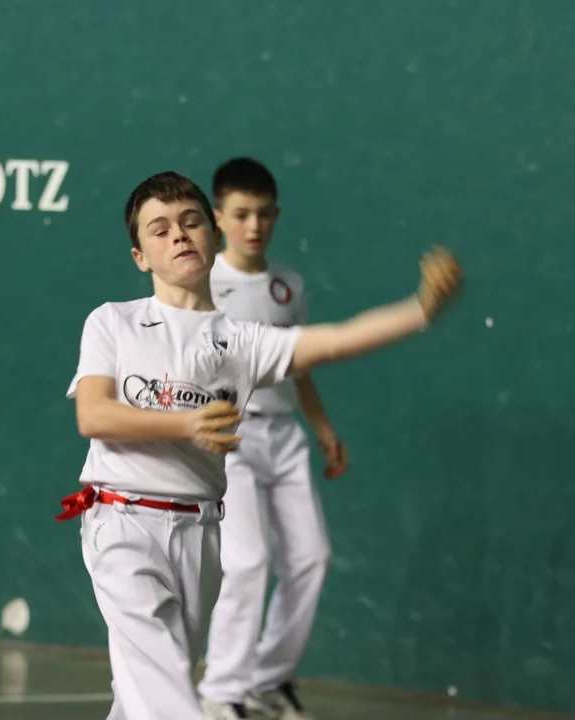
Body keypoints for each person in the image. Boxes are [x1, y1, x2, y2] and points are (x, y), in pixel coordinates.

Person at [55, 170, 461, 720]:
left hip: (200, 533)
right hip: (122, 522)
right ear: (140, 257)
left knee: (144, 693)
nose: (178, 234)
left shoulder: (243, 342)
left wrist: (420, 309)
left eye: (190, 221)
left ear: (212, 234)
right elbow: (94, 415)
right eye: (160, 229)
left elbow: (334, 341)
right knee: (164, 686)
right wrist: (187, 425)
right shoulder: (113, 322)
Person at [197, 157, 344, 720]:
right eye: (240, 214)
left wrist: (322, 426)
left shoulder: (289, 286)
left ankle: (268, 679)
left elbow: (296, 363)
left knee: (312, 558)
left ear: (276, 215)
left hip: (286, 437)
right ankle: (221, 692)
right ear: (217, 217)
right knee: (247, 561)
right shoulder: (203, 283)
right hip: (230, 437)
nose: (253, 225)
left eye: (263, 214)